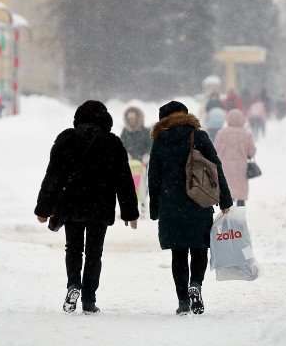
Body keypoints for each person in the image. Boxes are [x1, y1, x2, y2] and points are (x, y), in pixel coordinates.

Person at [34, 100, 139, 314]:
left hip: (72, 205)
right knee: (94, 252)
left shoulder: (66, 140)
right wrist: (130, 213)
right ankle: (89, 299)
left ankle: (73, 285)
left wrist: (43, 209)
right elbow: (124, 180)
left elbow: (52, 176)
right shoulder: (112, 143)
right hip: (100, 206)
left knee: (73, 248)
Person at [148, 101, 233, 315]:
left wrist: (154, 207)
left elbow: (154, 177)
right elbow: (216, 167)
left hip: (170, 203)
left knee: (178, 253)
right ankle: (196, 284)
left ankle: (183, 301)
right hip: (198, 200)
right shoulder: (199, 136)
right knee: (199, 248)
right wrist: (225, 200)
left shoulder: (160, 140)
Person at [214, 109, 256, 207]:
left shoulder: (222, 133)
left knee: (228, 191)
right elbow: (252, 152)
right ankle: (240, 217)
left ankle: (228, 218)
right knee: (240, 193)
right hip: (241, 167)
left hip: (225, 167)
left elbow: (216, 150)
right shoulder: (246, 134)